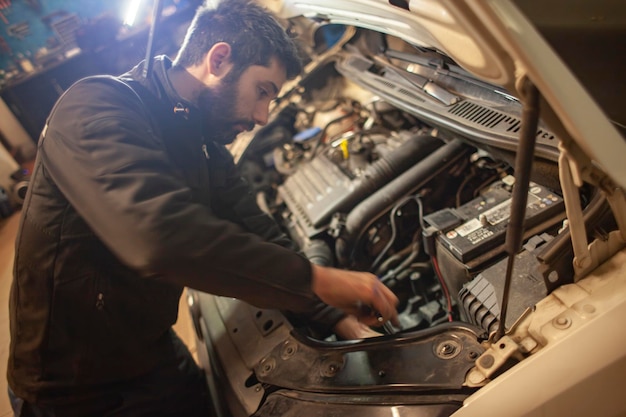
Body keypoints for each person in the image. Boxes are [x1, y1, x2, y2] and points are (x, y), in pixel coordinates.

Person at [7, 0, 399, 415]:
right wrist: (317, 279)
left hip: (153, 353)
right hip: (73, 389)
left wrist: (331, 315)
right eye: (262, 91)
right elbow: (157, 239)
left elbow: (254, 228)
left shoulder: (206, 145)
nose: (264, 115)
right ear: (219, 59)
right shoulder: (95, 107)